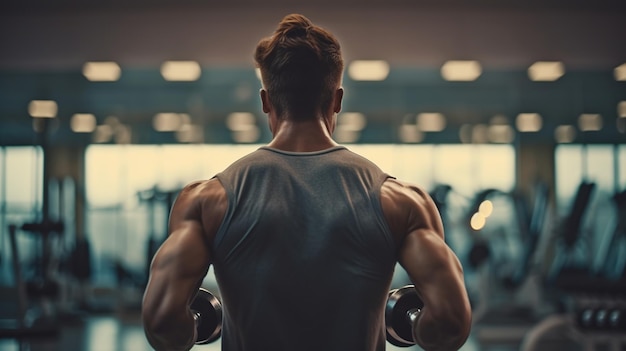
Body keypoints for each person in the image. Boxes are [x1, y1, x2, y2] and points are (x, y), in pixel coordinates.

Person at [142, 13, 472, 351]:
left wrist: (196, 324)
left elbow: (165, 324)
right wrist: (414, 324)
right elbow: (448, 324)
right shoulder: (402, 201)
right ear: (337, 100)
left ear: (265, 100)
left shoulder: (207, 200)